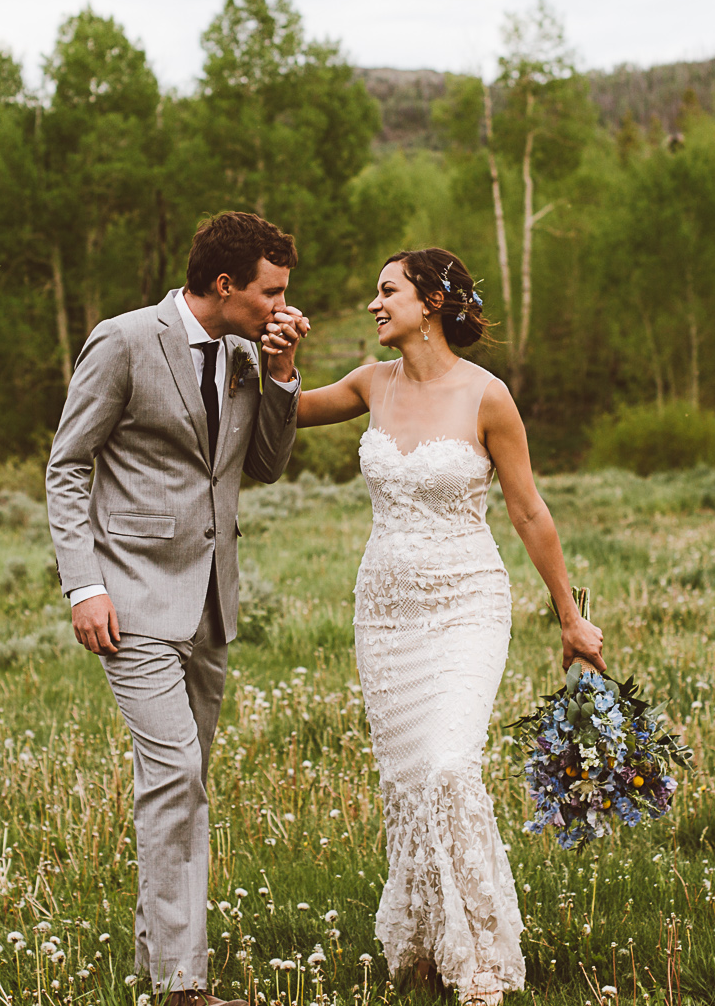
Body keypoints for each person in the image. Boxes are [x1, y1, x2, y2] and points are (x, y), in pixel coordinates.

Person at [281, 248, 604, 1006]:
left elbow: (527, 509)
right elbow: (290, 410)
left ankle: (482, 954)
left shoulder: (487, 396)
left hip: (466, 600)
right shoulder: (371, 381)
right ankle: (427, 943)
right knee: (406, 780)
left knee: (448, 765)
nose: (373, 303)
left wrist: (570, 616)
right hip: (385, 610)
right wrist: (285, 358)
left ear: (429, 302)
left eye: (386, 290)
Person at [47, 211, 312, 1006]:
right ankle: (179, 988)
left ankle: (155, 963)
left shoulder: (242, 355)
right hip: (129, 603)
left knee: (179, 785)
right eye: (271, 292)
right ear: (226, 285)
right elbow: (67, 466)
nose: (280, 305)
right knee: (175, 778)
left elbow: (264, 464)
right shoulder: (124, 340)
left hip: (210, 606)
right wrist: (82, 585)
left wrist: (284, 373)